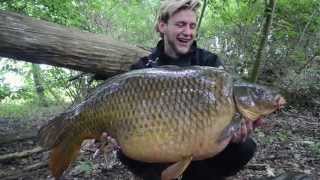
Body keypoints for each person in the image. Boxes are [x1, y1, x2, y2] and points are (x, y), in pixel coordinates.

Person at [118, 0, 260, 179]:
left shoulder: (210, 63)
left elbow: (230, 109)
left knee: (245, 146)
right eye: (181, 25)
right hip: (157, 142)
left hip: (201, 145)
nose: (188, 32)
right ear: (163, 26)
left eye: (192, 26)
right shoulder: (142, 68)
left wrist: (237, 132)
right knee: (122, 148)